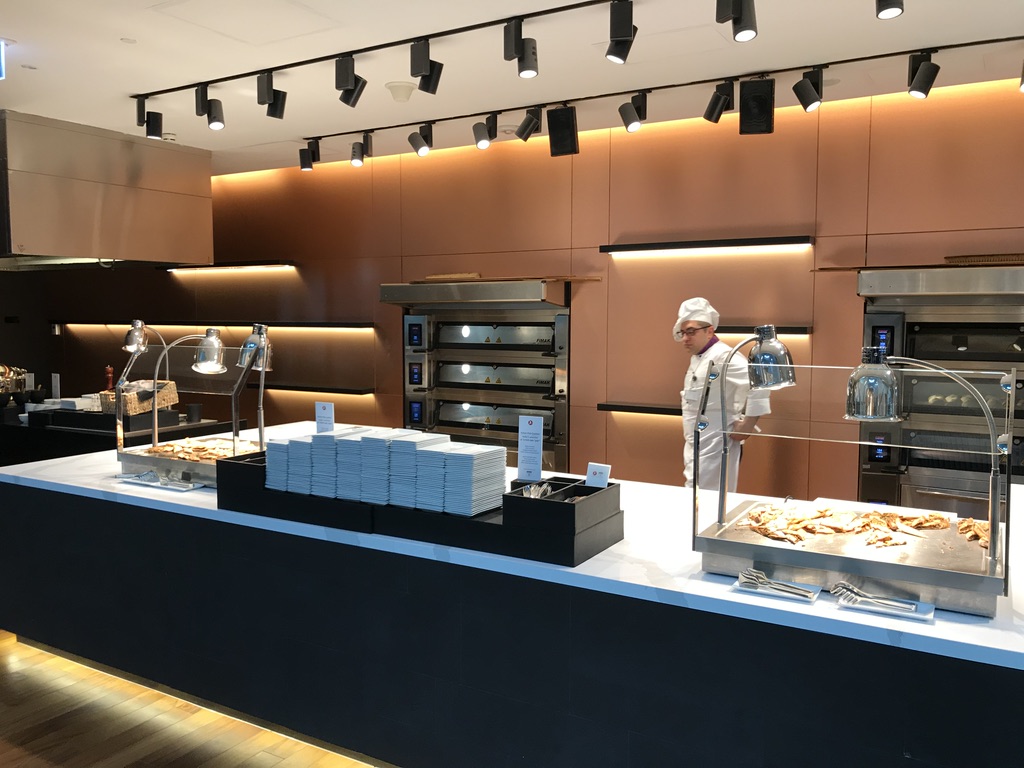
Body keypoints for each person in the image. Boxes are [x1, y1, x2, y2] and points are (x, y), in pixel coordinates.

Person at [673, 297, 770, 491]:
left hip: (717, 445)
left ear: (709, 331)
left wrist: (747, 426)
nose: (685, 338)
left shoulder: (725, 356)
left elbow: (760, 383)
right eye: (682, 333)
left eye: (691, 332)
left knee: (712, 500)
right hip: (695, 443)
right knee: (695, 496)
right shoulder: (698, 358)